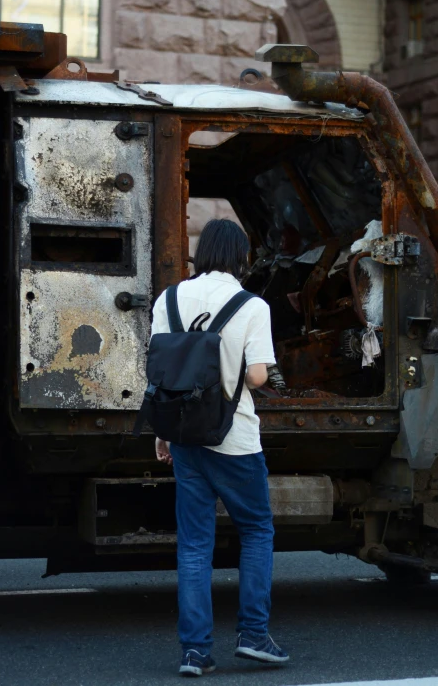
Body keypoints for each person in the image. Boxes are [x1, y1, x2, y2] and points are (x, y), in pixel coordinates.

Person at [152, 218, 289, 677]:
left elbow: (161, 373)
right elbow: (255, 377)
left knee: (193, 545)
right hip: (235, 439)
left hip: (186, 436)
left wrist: (163, 432)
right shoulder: (252, 306)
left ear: (201, 253)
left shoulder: (168, 299)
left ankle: (194, 652)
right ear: (240, 257)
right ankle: (253, 635)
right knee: (256, 530)